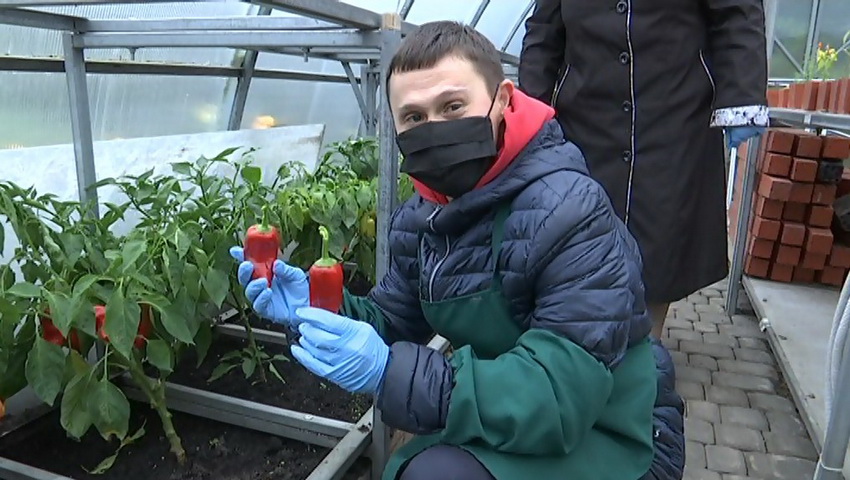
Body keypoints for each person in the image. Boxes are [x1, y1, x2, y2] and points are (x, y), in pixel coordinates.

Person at [230, 21, 684, 480]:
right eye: (413, 118)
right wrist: (316, 307)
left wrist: (390, 372)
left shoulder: (567, 210)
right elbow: (392, 319)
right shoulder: (420, 220)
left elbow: (556, 395)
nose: (435, 130)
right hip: (508, 413)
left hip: (609, 428)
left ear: (503, 100)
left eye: (452, 106)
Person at [518, 0, 769, 336]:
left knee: (658, 245)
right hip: (582, 120)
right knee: (573, 237)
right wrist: (530, 109)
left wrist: (742, 92)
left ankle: (645, 358)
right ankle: (573, 346)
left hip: (674, 117)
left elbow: (737, 12)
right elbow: (544, 29)